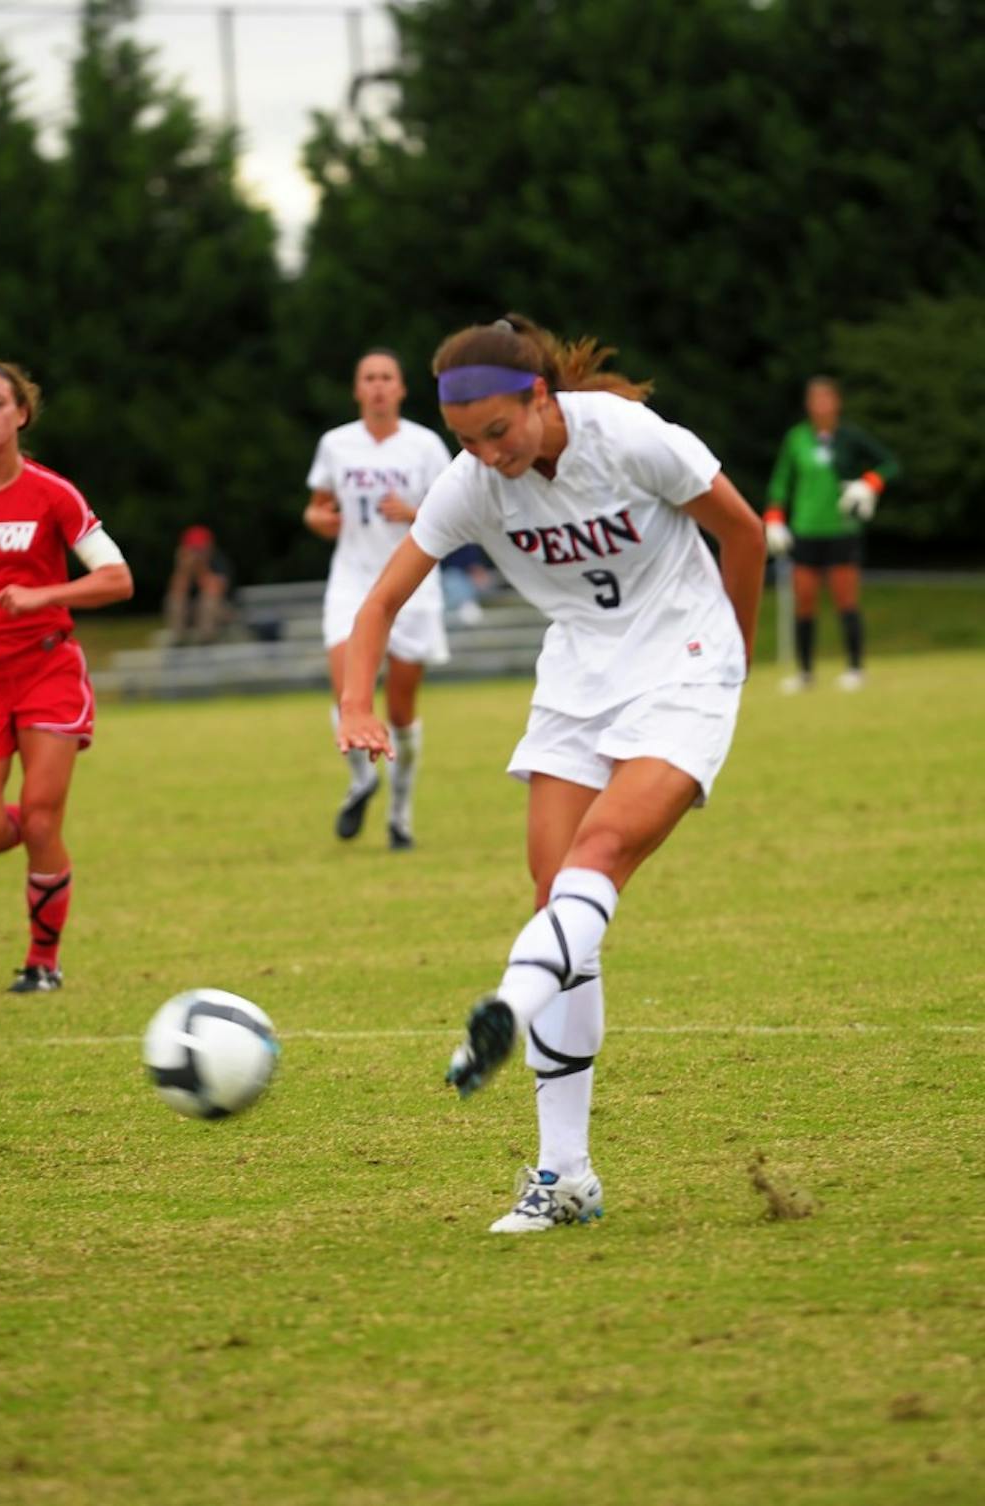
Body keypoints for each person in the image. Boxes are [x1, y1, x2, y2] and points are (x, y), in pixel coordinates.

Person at [337, 315, 766, 1233]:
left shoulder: (630, 439)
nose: (488, 456)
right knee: (555, 902)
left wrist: (733, 659)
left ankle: (507, 1006)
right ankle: (565, 1177)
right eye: (467, 441)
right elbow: (378, 605)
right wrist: (353, 705)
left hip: (686, 661)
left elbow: (743, 533)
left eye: (499, 432)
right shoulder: (473, 484)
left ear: (539, 397)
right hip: (578, 677)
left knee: (595, 857)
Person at [0, 360, 133, 992]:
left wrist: (43, 596)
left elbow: (117, 579)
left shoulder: (52, 493)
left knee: (43, 820)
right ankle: (33, 838)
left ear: (21, 414)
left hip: (46, 668)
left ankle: (42, 961)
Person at [304, 348, 451, 850]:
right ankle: (362, 780)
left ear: (402, 388)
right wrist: (321, 520)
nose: (379, 386)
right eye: (369, 378)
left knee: (402, 710)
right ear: (357, 389)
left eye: (387, 377)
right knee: (347, 692)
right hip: (352, 582)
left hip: (412, 586)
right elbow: (316, 509)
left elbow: (455, 512)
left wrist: (413, 513)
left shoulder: (425, 445)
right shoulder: (336, 444)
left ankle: (400, 815)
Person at [764, 377, 900, 693]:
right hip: (805, 530)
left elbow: (890, 464)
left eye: (826, 399)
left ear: (837, 403)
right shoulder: (797, 438)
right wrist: (774, 517)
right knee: (804, 601)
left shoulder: (849, 437)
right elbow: (781, 480)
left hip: (841, 529)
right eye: (815, 399)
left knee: (846, 600)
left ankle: (855, 668)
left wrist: (870, 483)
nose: (821, 405)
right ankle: (805, 673)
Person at [163, 525, 233, 646]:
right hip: (193, 612)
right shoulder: (183, 565)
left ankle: (206, 641)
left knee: (208, 601)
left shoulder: (219, 562)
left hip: (222, 611)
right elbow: (176, 591)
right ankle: (179, 640)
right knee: (175, 600)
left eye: (199, 549)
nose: (196, 553)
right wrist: (184, 569)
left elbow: (214, 589)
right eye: (193, 549)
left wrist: (200, 568)